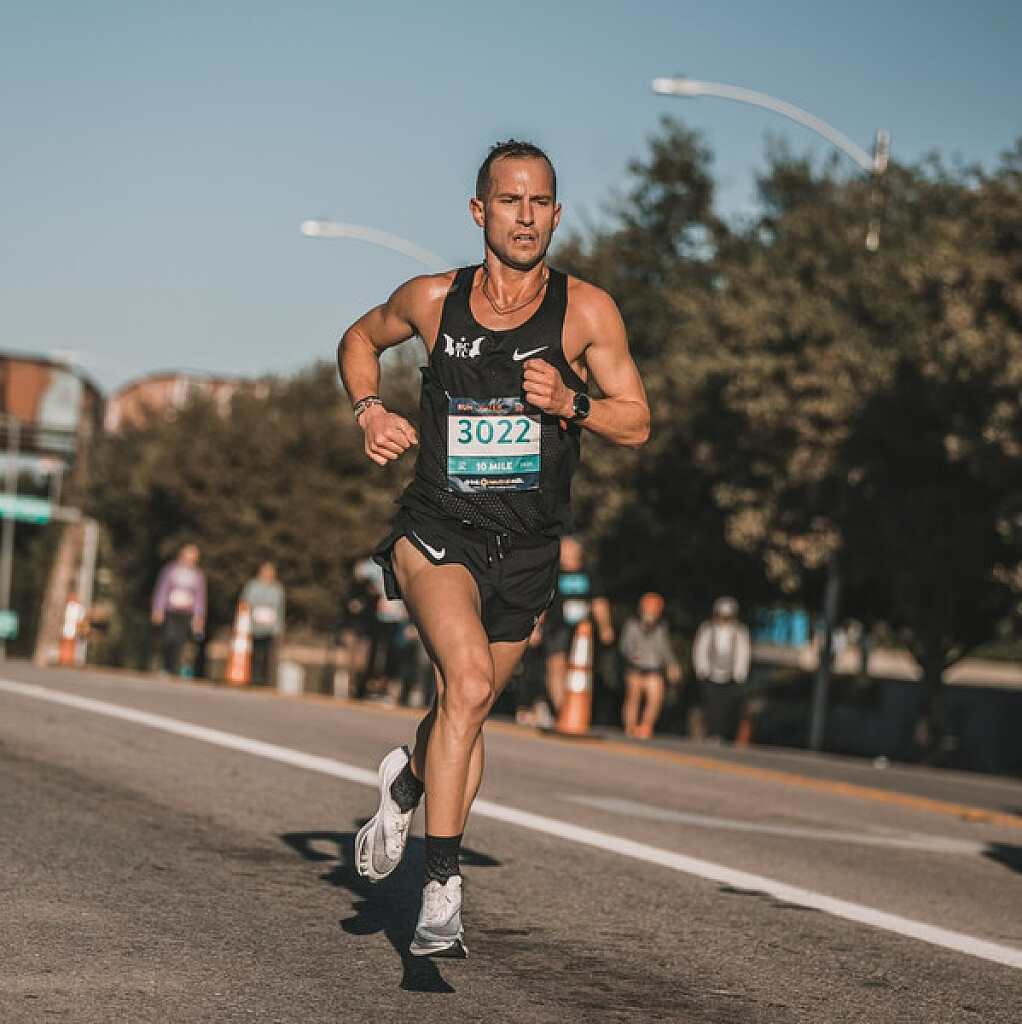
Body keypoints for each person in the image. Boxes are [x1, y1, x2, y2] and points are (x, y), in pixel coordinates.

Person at [337, 139, 649, 958]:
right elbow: (359, 340)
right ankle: (441, 888)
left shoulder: (586, 312)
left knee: (463, 710)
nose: (525, 216)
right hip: (438, 529)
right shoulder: (433, 300)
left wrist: (574, 403)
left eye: (540, 202)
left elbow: (638, 420)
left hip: (529, 550)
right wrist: (370, 410)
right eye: (510, 200)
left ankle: (407, 782)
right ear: (480, 210)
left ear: (557, 213)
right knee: (470, 685)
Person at [541, 535, 615, 715]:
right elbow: (542, 601)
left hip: (583, 631)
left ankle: (576, 709)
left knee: (579, 669)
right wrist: (535, 628)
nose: (564, 552)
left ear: (578, 550)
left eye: (569, 547)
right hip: (556, 627)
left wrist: (605, 627)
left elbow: (599, 602)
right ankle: (560, 710)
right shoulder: (552, 573)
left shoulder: (589, 574)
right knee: (556, 665)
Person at [618, 592, 680, 739]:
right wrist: (631, 654)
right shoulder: (632, 625)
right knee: (633, 697)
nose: (650, 616)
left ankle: (646, 725)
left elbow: (665, 649)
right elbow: (624, 645)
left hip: (654, 668)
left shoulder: (661, 628)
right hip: (635, 668)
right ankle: (630, 726)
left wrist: (671, 665)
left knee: (656, 697)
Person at [691, 595, 751, 742]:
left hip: (730, 676)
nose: (725, 620)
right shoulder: (707, 629)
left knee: (727, 707)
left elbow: (743, 653)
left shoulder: (740, 632)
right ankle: (710, 733)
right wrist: (702, 669)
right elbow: (700, 650)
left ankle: (723, 734)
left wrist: (740, 673)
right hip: (710, 674)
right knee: (711, 706)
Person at [151, 543, 207, 676]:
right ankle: (165, 667)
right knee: (169, 638)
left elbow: (199, 597)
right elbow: (162, 590)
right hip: (171, 610)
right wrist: (158, 609)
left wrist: (199, 616)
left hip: (186, 612)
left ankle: (173, 669)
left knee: (179, 641)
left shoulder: (197, 575)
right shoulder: (170, 570)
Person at [239, 561, 285, 686]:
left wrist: (279, 627)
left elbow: (280, 609)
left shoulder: (277, 589)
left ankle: (267, 682)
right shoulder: (252, 587)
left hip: (271, 628)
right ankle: (253, 679)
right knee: (255, 654)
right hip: (254, 627)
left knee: (268, 656)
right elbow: (245, 603)